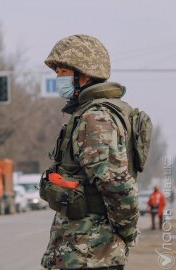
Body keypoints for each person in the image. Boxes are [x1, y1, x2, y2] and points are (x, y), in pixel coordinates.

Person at [40, 35, 142, 270]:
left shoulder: (94, 118)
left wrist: (125, 233)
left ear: (84, 75)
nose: (58, 78)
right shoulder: (90, 113)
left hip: (90, 252)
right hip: (84, 250)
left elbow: (116, 185)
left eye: (63, 72)